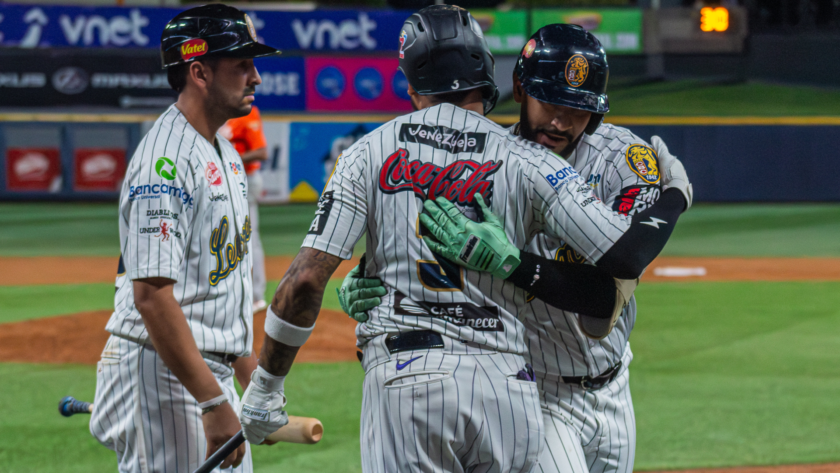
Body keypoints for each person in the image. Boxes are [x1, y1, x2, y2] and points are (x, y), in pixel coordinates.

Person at [237, 6, 691, 473]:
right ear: (496, 79)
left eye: (576, 111)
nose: (559, 122)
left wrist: (265, 389)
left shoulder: (366, 153)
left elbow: (306, 280)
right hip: (512, 384)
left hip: (407, 376)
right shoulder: (528, 162)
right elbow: (622, 250)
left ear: (409, 83)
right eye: (550, 104)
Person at [88, 5, 280, 472]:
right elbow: (152, 297)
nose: (255, 77)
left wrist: (248, 373)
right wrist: (213, 403)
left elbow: (219, 285)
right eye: (242, 65)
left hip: (202, 373)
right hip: (165, 373)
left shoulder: (226, 153)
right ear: (199, 72)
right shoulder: (164, 163)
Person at [220, 105, 269, 313]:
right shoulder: (215, 111)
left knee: (249, 236)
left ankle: (257, 296)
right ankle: (227, 291)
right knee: (222, 235)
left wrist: (228, 159)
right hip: (221, 179)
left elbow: (262, 152)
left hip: (245, 178)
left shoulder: (248, 112)